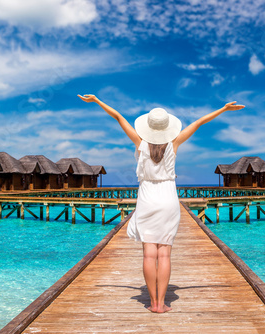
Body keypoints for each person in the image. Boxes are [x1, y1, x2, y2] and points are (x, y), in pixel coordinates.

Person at [78, 94, 244, 313]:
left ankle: (151, 302)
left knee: (149, 253)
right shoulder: (174, 144)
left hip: (147, 198)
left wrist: (98, 101)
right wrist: (223, 109)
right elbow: (199, 122)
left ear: (148, 128)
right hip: (168, 198)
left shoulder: (140, 143)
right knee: (164, 253)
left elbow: (118, 117)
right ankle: (161, 304)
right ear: (167, 128)